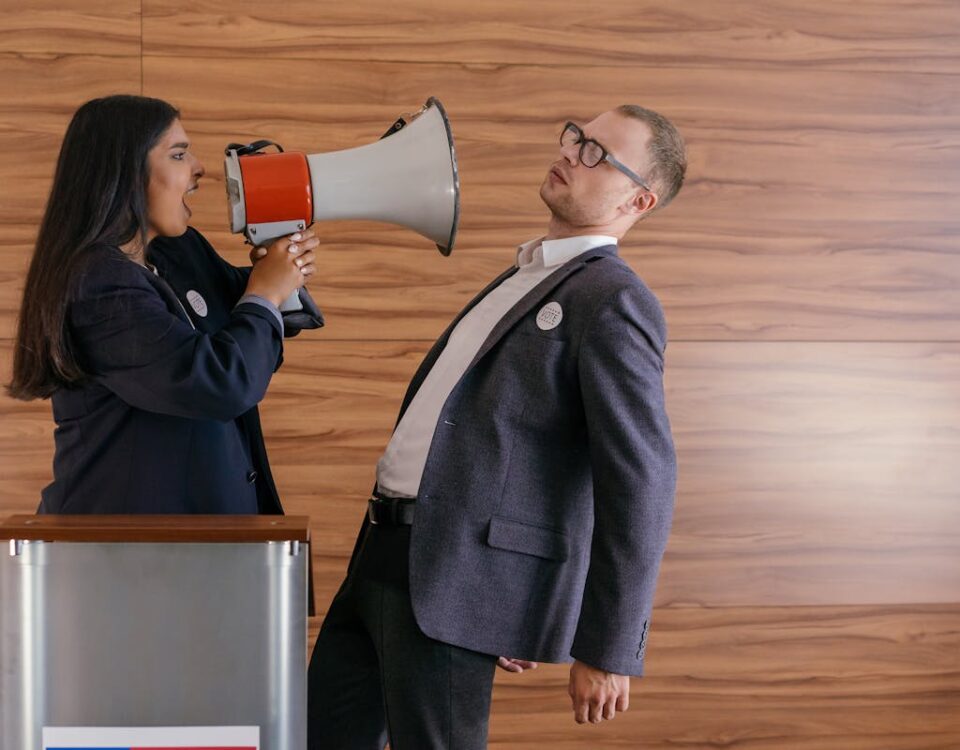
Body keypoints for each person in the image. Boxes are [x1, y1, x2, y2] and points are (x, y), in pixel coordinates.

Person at [307, 104, 686, 749]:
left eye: (599, 154)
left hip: (447, 582)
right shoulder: (525, 275)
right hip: (381, 556)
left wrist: (609, 646)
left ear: (639, 201)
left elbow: (639, 481)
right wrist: (510, 588)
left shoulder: (614, 300)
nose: (572, 153)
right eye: (576, 137)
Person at [7, 94, 320, 515]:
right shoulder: (98, 287)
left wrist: (279, 269)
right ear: (124, 173)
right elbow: (225, 380)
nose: (199, 168)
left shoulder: (178, 251)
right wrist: (267, 292)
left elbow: (247, 328)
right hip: (122, 552)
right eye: (178, 154)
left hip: (192, 547)